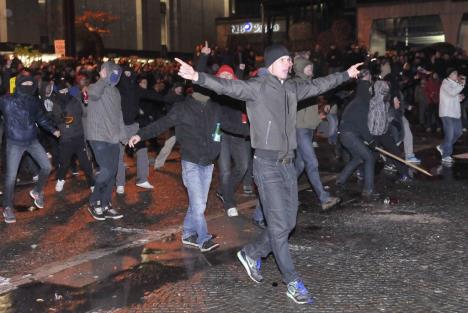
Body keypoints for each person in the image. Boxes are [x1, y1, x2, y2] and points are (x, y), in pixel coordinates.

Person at [174, 44, 362, 305]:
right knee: (278, 225)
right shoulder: (257, 86)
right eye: (283, 60)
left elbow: (319, 85)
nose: (288, 63)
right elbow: (227, 87)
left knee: (288, 223)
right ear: (272, 63)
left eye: (289, 60)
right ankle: (293, 281)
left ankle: (252, 253)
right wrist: (197, 77)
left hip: (287, 164)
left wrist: (346, 74)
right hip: (266, 165)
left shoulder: (293, 87)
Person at [128, 77, 222, 253]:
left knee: (197, 202)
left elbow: (225, 127)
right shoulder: (182, 108)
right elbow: (162, 124)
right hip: (191, 162)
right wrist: (140, 135)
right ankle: (203, 238)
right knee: (199, 204)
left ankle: (187, 233)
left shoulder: (215, 108)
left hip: (208, 163)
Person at [0, 74, 60, 223]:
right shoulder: (6, 100)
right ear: (19, 84)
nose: (28, 85)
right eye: (24, 83)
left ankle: (37, 191)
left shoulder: (34, 101)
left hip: (32, 140)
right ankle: (7, 207)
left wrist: (53, 130)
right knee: (11, 177)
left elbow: (41, 118)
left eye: (30, 83)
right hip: (14, 143)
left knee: (46, 166)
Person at [293, 57, 340, 210]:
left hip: (307, 128)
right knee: (312, 163)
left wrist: (321, 111)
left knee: (299, 166)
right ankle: (323, 198)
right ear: (300, 69)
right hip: (300, 129)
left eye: (311, 66)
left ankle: (285, 196)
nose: (310, 69)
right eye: (307, 67)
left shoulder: (308, 83)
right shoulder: (298, 84)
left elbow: (308, 108)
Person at [85, 61, 127, 221]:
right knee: (107, 170)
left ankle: (105, 204)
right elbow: (93, 94)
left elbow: (119, 115)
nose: (114, 75)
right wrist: (103, 78)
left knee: (113, 172)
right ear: (103, 71)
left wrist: (124, 137)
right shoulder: (95, 87)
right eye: (111, 72)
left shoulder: (116, 92)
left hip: (113, 137)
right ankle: (94, 201)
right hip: (98, 136)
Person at [51, 78, 95, 192]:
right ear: (58, 92)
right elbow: (55, 119)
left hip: (79, 136)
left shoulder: (75, 100)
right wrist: (62, 118)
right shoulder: (55, 103)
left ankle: (92, 183)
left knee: (85, 163)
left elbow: (84, 113)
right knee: (64, 163)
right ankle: (61, 179)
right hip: (66, 138)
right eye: (62, 91)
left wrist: (86, 104)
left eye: (66, 90)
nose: (65, 93)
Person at [437, 68, 465, 165]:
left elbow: (453, 95)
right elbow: (452, 92)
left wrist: (459, 97)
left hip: (455, 113)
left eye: (456, 73)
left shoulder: (455, 84)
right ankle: (446, 155)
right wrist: (461, 84)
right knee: (450, 133)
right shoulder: (445, 83)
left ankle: (442, 147)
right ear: (448, 75)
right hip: (446, 113)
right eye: (454, 73)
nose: (456, 75)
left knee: (458, 133)